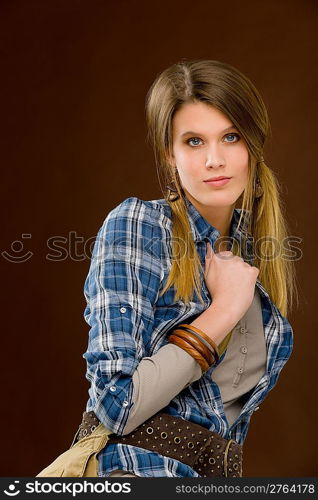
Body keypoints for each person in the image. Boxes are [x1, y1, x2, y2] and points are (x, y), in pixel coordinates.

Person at [74, 59, 296, 478]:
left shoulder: (248, 261)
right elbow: (115, 403)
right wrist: (222, 311)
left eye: (230, 137)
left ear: (253, 145)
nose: (215, 159)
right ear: (169, 155)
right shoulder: (140, 226)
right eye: (194, 142)